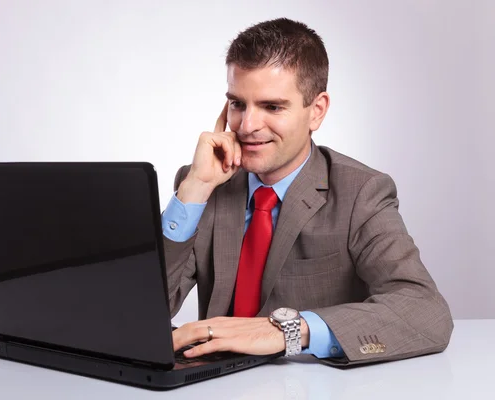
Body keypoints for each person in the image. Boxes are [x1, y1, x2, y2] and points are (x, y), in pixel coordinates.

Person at [162, 18, 453, 366]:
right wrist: (195, 189)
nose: (247, 126)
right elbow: (141, 308)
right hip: (212, 385)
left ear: (316, 111)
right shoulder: (203, 183)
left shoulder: (360, 193)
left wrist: (286, 331)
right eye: (238, 104)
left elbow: (426, 311)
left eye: (272, 107)